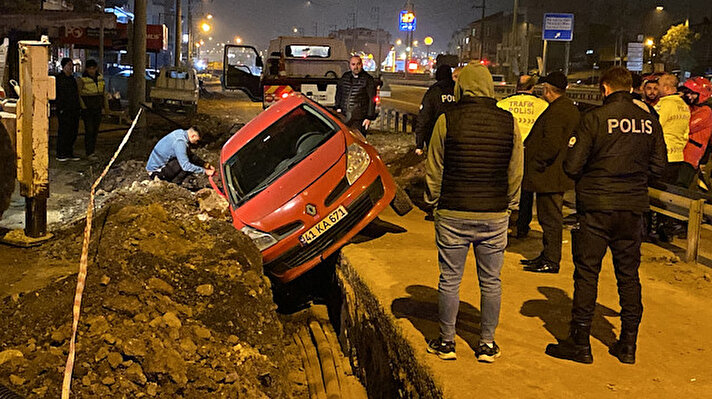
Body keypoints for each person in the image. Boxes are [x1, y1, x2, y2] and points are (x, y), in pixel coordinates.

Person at [546, 67, 666, 364]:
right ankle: (627, 344)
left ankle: (581, 343)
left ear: (605, 89)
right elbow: (660, 167)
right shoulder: (649, 122)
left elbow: (572, 166)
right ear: (632, 88)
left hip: (597, 207)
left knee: (587, 272)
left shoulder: (595, 119)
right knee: (628, 275)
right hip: (633, 208)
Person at [424, 64, 523, 363]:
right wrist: (512, 204)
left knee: (450, 280)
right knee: (491, 281)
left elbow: (435, 167)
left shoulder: (446, 120)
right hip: (494, 214)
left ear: (462, 86)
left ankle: (447, 342)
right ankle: (486, 345)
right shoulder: (509, 122)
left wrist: (434, 201)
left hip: (453, 212)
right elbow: (515, 169)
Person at [520, 71, 581, 273]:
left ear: (547, 90)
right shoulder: (567, 108)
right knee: (550, 218)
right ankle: (546, 255)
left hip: (549, 175)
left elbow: (551, 143)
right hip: (554, 173)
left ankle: (551, 260)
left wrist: (536, 163)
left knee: (550, 219)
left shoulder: (557, 111)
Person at [497, 74, 549, 238]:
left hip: (506, 150)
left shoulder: (503, 103)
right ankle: (522, 226)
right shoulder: (543, 106)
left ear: (516, 86)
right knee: (526, 191)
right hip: (530, 152)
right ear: (533, 87)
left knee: (505, 186)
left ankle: (502, 222)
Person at [654, 73, 690, 184]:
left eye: (658, 85)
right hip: (678, 156)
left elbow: (654, 127)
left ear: (666, 88)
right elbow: (686, 132)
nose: (657, 88)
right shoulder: (684, 106)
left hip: (663, 157)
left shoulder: (664, 105)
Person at [146, 126, 215, 184]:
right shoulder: (180, 143)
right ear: (193, 136)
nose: (196, 143)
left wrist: (206, 165)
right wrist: (205, 171)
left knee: (187, 158)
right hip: (156, 173)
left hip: (157, 167)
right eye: (197, 140)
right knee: (187, 165)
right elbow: (186, 166)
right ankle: (174, 185)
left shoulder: (180, 133)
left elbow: (190, 154)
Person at [678, 77, 712, 188]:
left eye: (693, 93)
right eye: (688, 93)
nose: (689, 96)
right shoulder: (692, 107)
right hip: (681, 153)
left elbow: (686, 126)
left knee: (680, 188)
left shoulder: (705, 111)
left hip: (690, 157)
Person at [414, 64, 455, 155]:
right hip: (456, 137)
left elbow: (424, 118)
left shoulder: (434, 92)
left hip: (435, 137)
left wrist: (419, 144)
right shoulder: (459, 90)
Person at [335, 55, 377, 135]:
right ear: (350, 65)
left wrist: (369, 117)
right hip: (344, 116)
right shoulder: (345, 77)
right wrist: (337, 107)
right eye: (353, 64)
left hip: (359, 119)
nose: (356, 67)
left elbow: (372, 99)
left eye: (358, 64)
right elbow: (339, 93)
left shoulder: (368, 79)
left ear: (362, 65)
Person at [77, 59, 107, 158]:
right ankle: (89, 152)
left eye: (93, 68)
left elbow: (103, 93)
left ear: (96, 68)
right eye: (90, 69)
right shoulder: (82, 79)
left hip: (97, 108)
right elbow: (79, 94)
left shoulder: (100, 78)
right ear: (86, 69)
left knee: (95, 131)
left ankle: (92, 151)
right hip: (88, 109)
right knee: (89, 131)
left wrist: (104, 107)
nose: (91, 71)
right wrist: (83, 107)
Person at [55, 57, 81, 161]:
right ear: (64, 66)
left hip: (74, 109)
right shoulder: (59, 79)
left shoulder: (72, 79)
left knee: (73, 131)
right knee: (64, 131)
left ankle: (69, 152)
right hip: (64, 110)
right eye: (69, 65)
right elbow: (58, 95)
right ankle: (61, 153)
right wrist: (60, 108)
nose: (71, 67)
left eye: (72, 65)